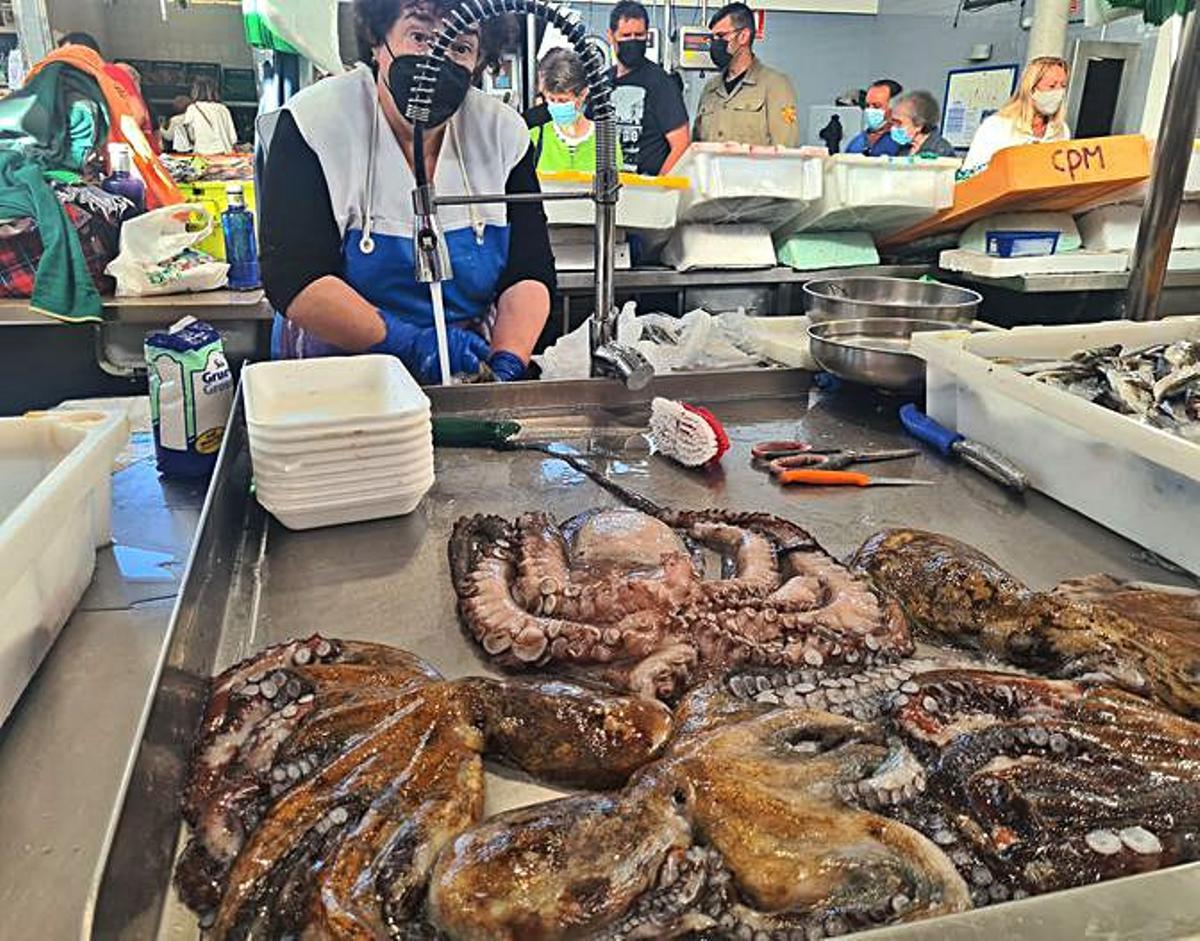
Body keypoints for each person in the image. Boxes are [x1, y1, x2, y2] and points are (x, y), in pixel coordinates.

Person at [260, 0, 554, 384]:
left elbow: (528, 270)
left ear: (480, 61)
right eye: (420, 36)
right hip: (336, 371)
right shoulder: (314, 124)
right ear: (378, 40)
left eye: (460, 47)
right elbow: (293, 276)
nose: (436, 60)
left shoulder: (503, 134)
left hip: (463, 369)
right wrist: (411, 343)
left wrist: (507, 363)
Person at [694, 2, 798, 147]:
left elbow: (785, 151)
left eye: (721, 36)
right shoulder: (710, 90)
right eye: (713, 39)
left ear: (743, 36)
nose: (715, 44)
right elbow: (697, 146)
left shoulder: (775, 86)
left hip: (756, 170)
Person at [608, 0, 689, 175]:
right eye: (626, 35)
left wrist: (658, 189)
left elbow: (681, 144)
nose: (633, 41)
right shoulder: (603, 82)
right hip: (607, 191)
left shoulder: (661, 83)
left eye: (639, 35)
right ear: (611, 36)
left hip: (645, 191)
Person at [964, 56, 1071, 170]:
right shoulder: (996, 126)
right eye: (1051, 86)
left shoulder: (1061, 131)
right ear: (1031, 88)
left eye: (1063, 86)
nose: (1058, 92)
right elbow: (970, 174)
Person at [57, 32, 160, 152]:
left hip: (129, 157)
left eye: (67, 55)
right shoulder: (83, 81)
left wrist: (113, 145)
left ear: (86, 52)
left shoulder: (110, 73)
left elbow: (138, 114)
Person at [530, 48, 622, 173]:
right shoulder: (535, 138)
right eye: (551, 99)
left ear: (583, 94)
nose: (556, 105)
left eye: (563, 100)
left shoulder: (605, 140)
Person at [169, 76, 238, 155]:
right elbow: (233, 138)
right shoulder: (223, 109)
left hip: (202, 154)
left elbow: (191, 135)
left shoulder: (193, 109)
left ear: (195, 91)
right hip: (223, 154)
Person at [890, 90, 958, 158]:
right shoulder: (904, 148)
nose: (893, 127)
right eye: (893, 122)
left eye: (898, 123)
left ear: (919, 124)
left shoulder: (941, 150)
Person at [845, 79, 903, 157]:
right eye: (867, 105)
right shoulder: (857, 143)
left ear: (894, 108)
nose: (870, 110)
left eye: (877, 106)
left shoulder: (902, 142)